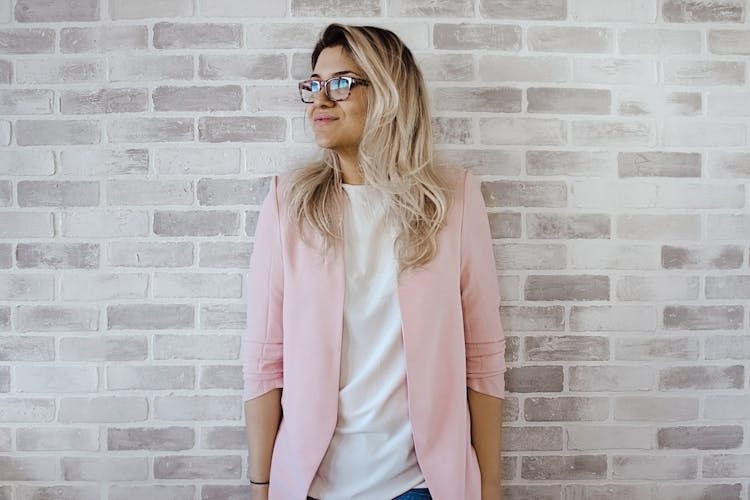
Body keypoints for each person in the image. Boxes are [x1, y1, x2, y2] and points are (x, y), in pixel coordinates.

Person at [242, 23, 506, 500]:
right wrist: (261, 486)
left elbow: (483, 357)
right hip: (311, 486)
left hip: (421, 486)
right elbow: (265, 360)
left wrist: (489, 486)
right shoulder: (289, 204)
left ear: (388, 93)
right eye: (314, 86)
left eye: (341, 84)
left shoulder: (454, 200)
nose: (320, 101)